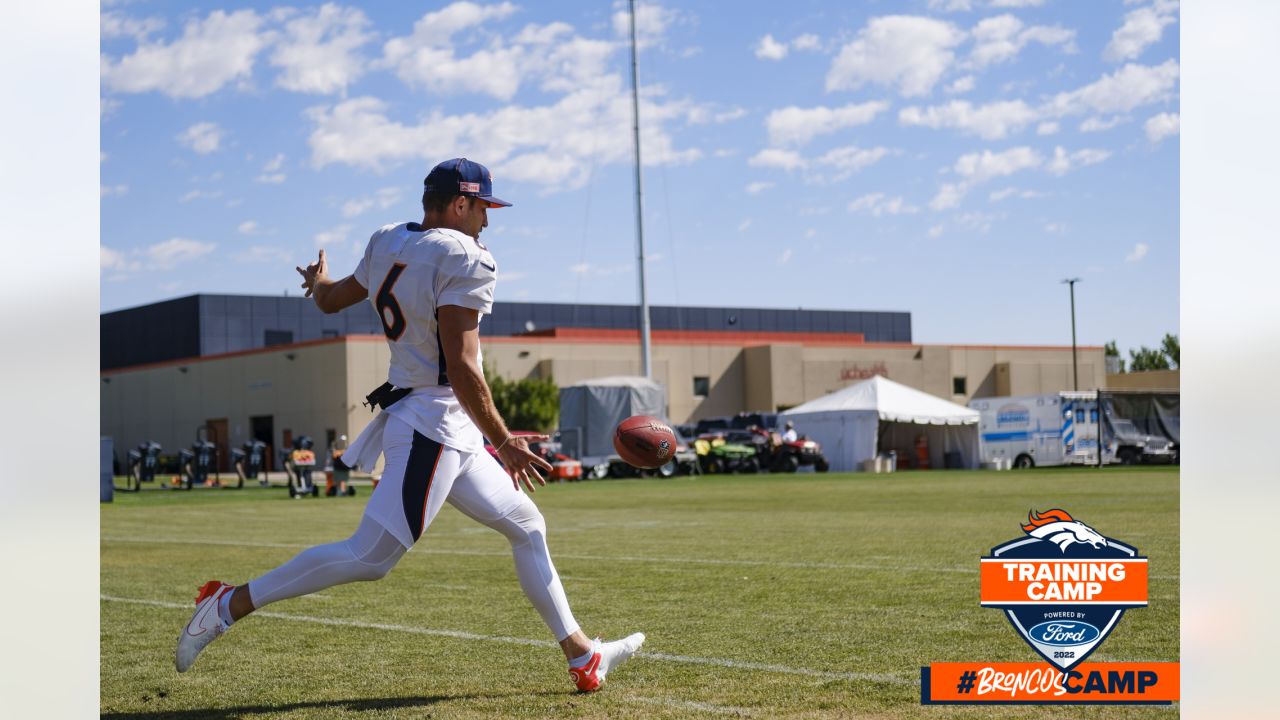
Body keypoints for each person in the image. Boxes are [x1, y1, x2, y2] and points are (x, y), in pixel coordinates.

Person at [175, 158, 645, 692]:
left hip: (441, 420)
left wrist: (319, 280)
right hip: (434, 423)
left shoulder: (388, 239)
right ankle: (228, 603)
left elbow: (330, 301)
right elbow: (462, 364)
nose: (487, 223)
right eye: (484, 209)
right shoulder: (466, 257)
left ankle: (582, 655)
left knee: (527, 526)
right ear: (460, 203)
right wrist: (505, 440)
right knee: (370, 557)